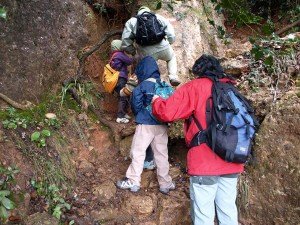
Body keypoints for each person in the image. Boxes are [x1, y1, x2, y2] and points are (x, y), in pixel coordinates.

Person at [152, 54, 244, 224]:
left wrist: (156, 101)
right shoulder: (232, 89)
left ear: (198, 71)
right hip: (232, 161)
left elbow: (167, 112)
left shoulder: (195, 87)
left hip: (204, 162)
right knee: (228, 211)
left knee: (203, 215)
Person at [116, 56, 174, 194]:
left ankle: (133, 180)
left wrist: (140, 115)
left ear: (142, 70)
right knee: (161, 154)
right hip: (161, 125)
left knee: (138, 152)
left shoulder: (142, 86)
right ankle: (165, 184)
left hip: (145, 124)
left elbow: (136, 104)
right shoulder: (163, 84)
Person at [121, 6, 181, 86]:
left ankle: (150, 86)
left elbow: (125, 42)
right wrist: (169, 42)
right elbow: (171, 34)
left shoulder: (131, 22)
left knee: (148, 69)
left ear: (138, 12)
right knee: (171, 57)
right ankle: (173, 77)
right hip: (163, 47)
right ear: (149, 11)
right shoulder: (157, 17)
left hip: (146, 53)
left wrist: (133, 52)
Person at [110, 39, 134, 123]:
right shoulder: (119, 54)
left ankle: (123, 113)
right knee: (123, 96)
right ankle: (120, 117)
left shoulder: (113, 55)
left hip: (116, 80)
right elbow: (129, 61)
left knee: (125, 96)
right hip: (121, 79)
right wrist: (134, 55)